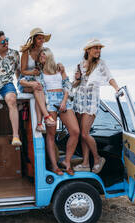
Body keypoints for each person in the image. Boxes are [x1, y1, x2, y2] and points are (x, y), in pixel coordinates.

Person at [72, 39, 120, 173]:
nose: (98, 51)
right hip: (79, 99)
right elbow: (75, 85)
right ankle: (86, 163)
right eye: (96, 48)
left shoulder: (101, 64)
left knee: (85, 133)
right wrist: (76, 79)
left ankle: (98, 159)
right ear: (88, 50)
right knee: (82, 134)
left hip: (92, 100)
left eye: (99, 48)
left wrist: (117, 88)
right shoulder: (80, 65)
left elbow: (110, 77)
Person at [38, 48, 80, 176]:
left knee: (75, 131)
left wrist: (64, 100)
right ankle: (55, 166)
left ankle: (67, 162)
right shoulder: (39, 71)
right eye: (40, 55)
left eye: (43, 54)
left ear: (49, 55)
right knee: (51, 135)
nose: (41, 56)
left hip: (63, 99)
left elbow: (67, 85)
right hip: (49, 101)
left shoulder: (59, 68)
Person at [18, 28, 56, 132]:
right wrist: (32, 73)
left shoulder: (44, 52)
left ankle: (40, 124)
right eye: (39, 38)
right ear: (34, 39)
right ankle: (46, 117)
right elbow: (22, 71)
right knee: (38, 88)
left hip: (38, 81)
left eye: (43, 38)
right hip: (25, 81)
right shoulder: (26, 52)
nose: (42, 41)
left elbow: (49, 66)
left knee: (38, 88)